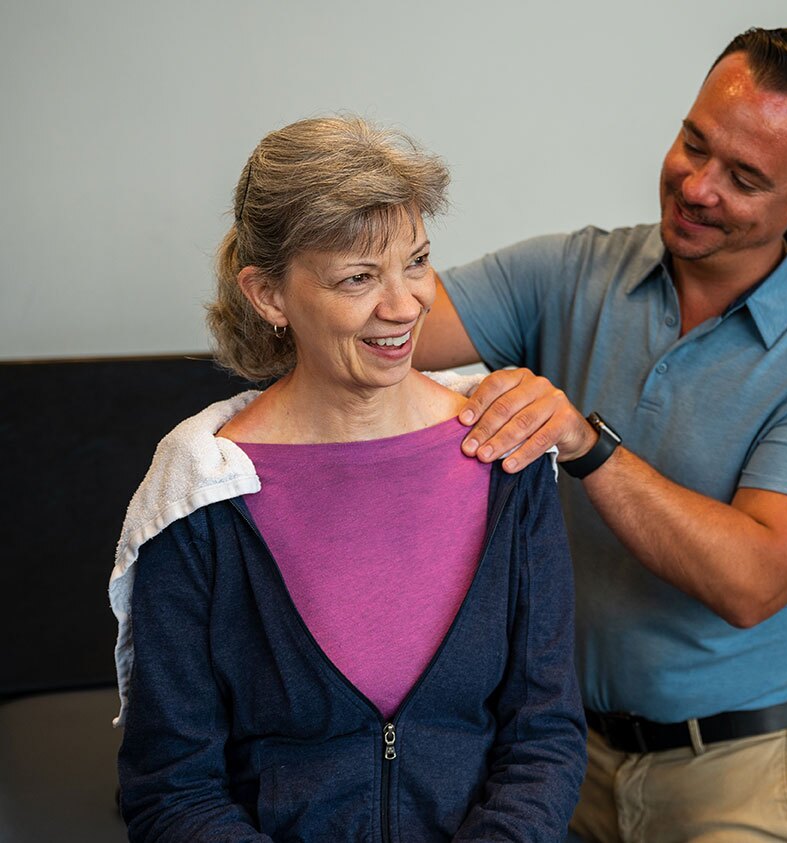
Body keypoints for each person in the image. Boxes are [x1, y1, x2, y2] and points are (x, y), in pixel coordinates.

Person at [414, 27, 787, 843]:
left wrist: (586, 444)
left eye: (744, 178)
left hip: (748, 774)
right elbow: (393, 330)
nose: (698, 186)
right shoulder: (569, 273)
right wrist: (335, 246)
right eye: (693, 143)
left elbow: (751, 579)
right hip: (559, 754)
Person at [108, 116, 586, 842]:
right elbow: (173, 788)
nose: (404, 305)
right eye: (359, 278)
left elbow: (543, 738)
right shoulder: (199, 493)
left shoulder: (507, 457)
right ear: (269, 295)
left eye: (417, 262)